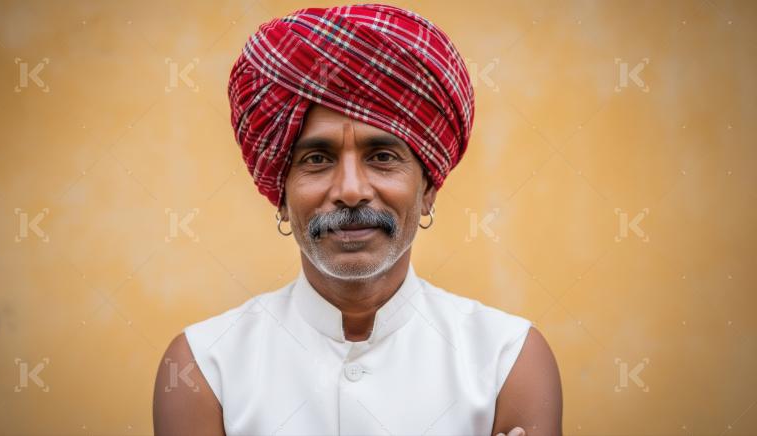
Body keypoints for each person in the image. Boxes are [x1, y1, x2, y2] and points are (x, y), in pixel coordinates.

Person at [154, 4, 562, 435]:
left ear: (428, 190)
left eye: (382, 157)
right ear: (280, 194)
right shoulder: (203, 366)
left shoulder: (507, 359)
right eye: (316, 158)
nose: (351, 190)